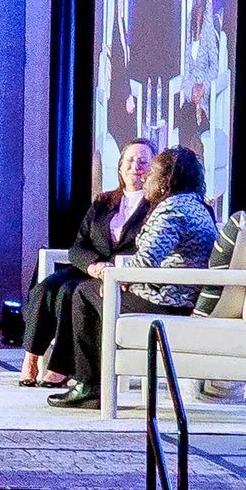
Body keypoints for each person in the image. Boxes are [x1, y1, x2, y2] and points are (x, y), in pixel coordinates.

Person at [53, 146, 221, 408]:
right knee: (94, 291)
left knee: (83, 294)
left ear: (166, 179)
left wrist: (114, 278)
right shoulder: (194, 204)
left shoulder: (172, 211)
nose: (146, 179)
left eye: (151, 173)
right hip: (176, 292)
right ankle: (92, 380)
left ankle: (90, 387)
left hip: (169, 300)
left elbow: (145, 262)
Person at [21, 140, 154, 387]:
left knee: (69, 293)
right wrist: (93, 265)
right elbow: (78, 246)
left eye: (143, 162)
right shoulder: (103, 202)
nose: (135, 166)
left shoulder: (156, 208)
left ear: (153, 169)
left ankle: (61, 368)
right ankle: (31, 357)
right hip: (90, 268)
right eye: (130, 161)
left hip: (119, 275)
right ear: (120, 166)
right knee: (45, 289)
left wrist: (113, 270)